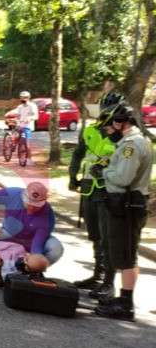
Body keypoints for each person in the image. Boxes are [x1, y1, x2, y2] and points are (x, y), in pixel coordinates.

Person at [93, 102, 152, 321]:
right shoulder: (137, 141)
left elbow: (123, 177)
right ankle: (123, 298)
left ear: (121, 123)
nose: (112, 128)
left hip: (126, 204)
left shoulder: (132, 144)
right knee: (125, 252)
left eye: (114, 124)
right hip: (128, 202)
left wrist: (104, 171)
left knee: (127, 255)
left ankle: (126, 304)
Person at [67, 90, 122, 297]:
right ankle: (97, 276)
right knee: (95, 236)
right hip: (88, 187)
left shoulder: (120, 135)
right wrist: (73, 175)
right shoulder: (90, 129)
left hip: (108, 189)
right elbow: (79, 153)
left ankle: (108, 282)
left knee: (108, 237)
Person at [0, 181, 63, 269]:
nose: (31, 208)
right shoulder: (12, 193)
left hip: (32, 239)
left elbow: (37, 244)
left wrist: (35, 260)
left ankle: (33, 270)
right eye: (29, 204)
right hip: (8, 232)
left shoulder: (47, 214)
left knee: (56, 249)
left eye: (36, 206)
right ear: (23, 197)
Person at [16, 91, 38, 165]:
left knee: (26, 142)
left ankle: (29, 159)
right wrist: (17, 121)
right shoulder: (20, 107)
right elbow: (18, 116)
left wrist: (30, 118)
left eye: (24, 98)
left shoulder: (32, 106)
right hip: (20, 125)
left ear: (28, 98)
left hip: (28, 126)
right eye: (21, 98)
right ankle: (19, 158)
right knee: (19, 142)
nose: (23, 99)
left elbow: (36, 116)